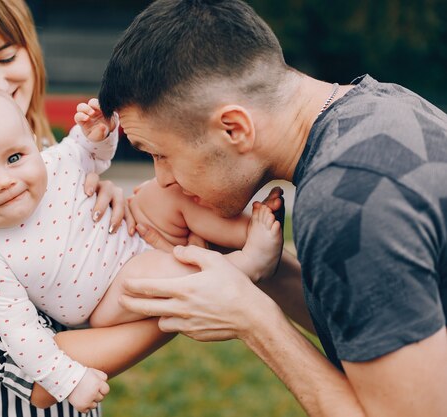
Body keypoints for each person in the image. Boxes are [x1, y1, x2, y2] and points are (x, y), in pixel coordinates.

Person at [98, 0, 447, 416]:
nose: (163, 180)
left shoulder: (347, 201)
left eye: (159, 154)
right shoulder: (382, 106)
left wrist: (253, 320)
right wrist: (260, 268)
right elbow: (379, 318)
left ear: (234, 128)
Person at [0, 0, 180, 415]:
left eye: (7, 57)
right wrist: (184, 307)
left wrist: (101, 219)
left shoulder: (38, 156)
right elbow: (29, 373)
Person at [0, 84, 286, 411]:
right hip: (110, 296)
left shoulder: (55, 163)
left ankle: (244, 232)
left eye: (14, 158)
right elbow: (22, 335)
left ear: (32, 143)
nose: (4, 182)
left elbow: (91, 153)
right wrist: (69, 381)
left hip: (133, 228)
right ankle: (246, 266)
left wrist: (98, 134)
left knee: (164, 193)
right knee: (153, 275)